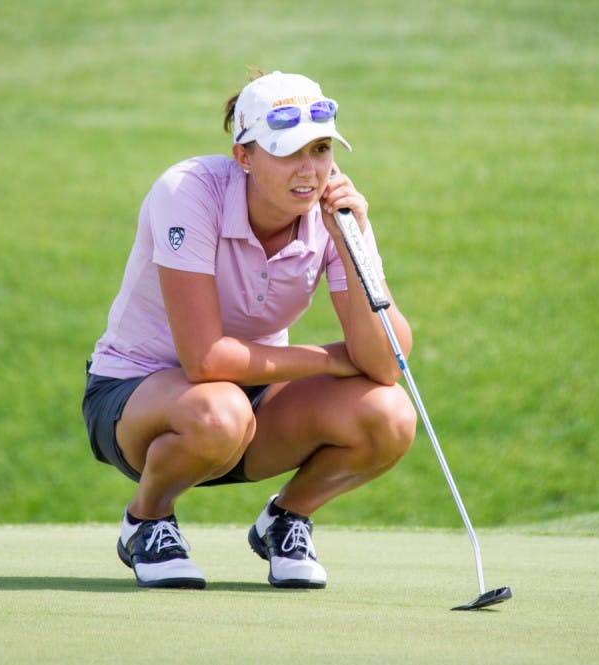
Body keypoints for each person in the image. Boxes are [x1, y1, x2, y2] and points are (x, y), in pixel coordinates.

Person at [82, 70, 417, 590]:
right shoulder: (189, 192)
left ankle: (286, 520)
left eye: (322, 149)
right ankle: (145, 521)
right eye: (288, 153)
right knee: (219, 409)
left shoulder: (334, 213)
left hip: (249, 402)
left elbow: (386, 361)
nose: (310, 171)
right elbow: (204, 360)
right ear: (245, 157)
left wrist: (355, 245)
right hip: (134, 397)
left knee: (390, 415)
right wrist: (329, 359)